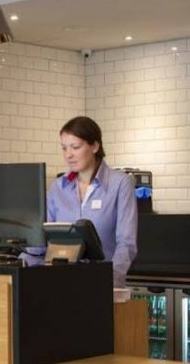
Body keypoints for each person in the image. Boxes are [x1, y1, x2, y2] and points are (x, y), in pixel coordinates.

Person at [47, 116, 137, 287]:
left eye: (75, 147)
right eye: (64, 148)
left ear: (95, 146)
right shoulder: (57, 188)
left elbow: (126, 244)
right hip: (62, 285)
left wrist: (109, 280)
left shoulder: (120, 183)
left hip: (103, 285)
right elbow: (42, 241)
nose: (68, 155)